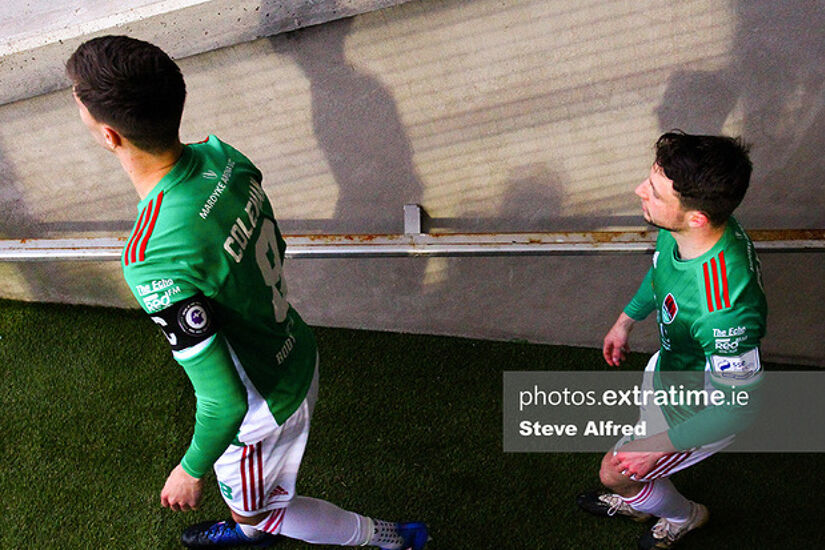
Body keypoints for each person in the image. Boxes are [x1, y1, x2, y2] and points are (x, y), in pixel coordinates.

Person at [67, 35, 428, 550]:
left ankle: (387, 537)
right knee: (256, 507)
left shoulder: (151, 255)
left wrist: (190, 471)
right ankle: (250, 521)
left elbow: (223, 401)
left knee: (264, 516)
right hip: (292, 347)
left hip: (264, 409)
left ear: (109, 136)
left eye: (77, 97)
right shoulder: (225, 159)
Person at [576, 131, 766, 549]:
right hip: (671, 372)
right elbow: (663, 270)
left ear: (695, 217)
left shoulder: (724, 309)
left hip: (698, 412)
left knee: (616, 471)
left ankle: (685, 516)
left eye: (654, 191)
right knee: (634, 465)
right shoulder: (686, 228)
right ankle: (646, 498)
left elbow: (737, 407)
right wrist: (626, 320)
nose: (639, 191)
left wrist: (658, 447)